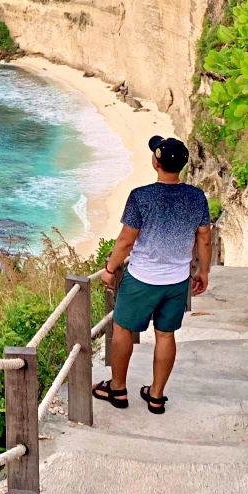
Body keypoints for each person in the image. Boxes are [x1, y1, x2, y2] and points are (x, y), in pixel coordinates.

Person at [91, 135, 212, 414]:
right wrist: (202, 271)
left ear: (155, 162)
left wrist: (110, 269)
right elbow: (204, 238)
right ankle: (156, 396)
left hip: (143, 278)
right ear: (182, 164)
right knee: (166, 335)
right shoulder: (196, 197)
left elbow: (125, 241)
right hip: (177, 280)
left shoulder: (141, 196)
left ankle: (118, 390)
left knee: (122, 329)